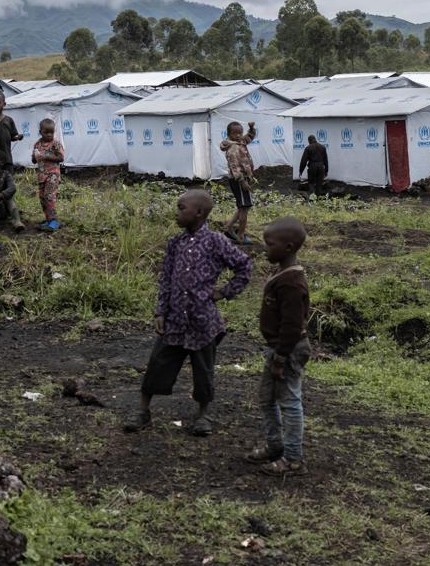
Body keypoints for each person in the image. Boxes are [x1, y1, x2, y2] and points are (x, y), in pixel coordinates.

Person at [124, 189, 253, 437]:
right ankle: (143, 411)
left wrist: (224, 292)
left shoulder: (216, 241)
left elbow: (244, 266)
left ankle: (203, 414)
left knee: (203, 369)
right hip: (174, 318)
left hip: (203, 320)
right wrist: (160, 312)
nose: (177, 213)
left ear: (199, 213)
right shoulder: (176, 243)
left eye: (181, 208)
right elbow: (166, 280)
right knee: (158, 363)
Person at [246, 217, 310, 476]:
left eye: (269, 244)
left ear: (288, 247)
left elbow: (293, 325)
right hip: (279, 348)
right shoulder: (283, 274)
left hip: (288, 349)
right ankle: (275, 446)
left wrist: (281, 357)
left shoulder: (292, 282)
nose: (265, 249)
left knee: (289, 401)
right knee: (266, 399)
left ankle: (293, 459)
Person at [221, 121, 257, 241]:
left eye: (240, 132)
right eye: (234, 133)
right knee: (244, 208)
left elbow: (250, 137)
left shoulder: (240, 142)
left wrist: (251, 128)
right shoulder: (233, 148)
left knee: (244, 206)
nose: (238, 135)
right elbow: (234, 167)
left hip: (242, 178)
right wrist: (242, 181)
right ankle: (241, 235)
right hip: (239, 179)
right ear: (229, 134)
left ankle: (228, 228)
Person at [32, 117, 65, 231]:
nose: (49, 135)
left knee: (49, 196)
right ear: (40, 131)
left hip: (53, 175)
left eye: (51, 132)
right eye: (46, 132)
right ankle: (48, 220)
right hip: (42, 176)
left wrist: (46, 156)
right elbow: (33, 160)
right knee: (42, 198)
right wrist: (35, 157)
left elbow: (61, 157)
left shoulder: (55, 144)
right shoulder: (37, 144)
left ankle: (54, 221)